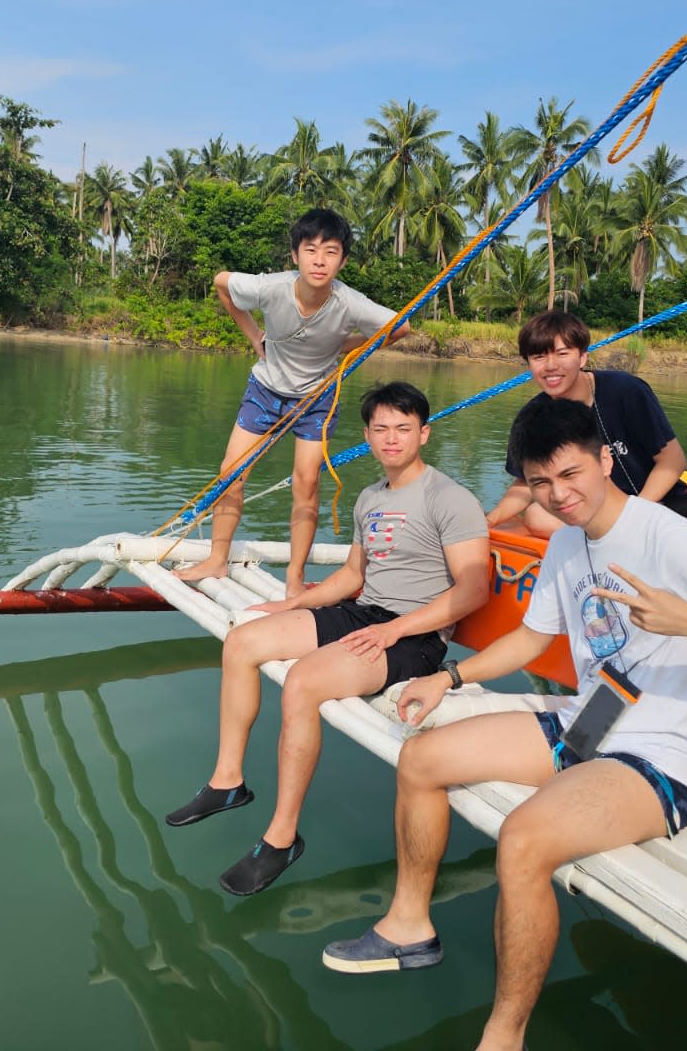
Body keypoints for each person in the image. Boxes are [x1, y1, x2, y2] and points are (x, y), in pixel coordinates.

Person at [323, 396, 687, 1051]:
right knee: (421, 759)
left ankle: (504, 1035)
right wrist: (448, 677)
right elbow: (528, 640)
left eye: (571, 473)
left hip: (656, 758)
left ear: (605, 460)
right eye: (542, 482)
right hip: (591, 720)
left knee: (522, 842)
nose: (560, 493)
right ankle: (410, 928)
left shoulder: (674, 539)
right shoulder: (569, 545)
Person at [166, 382, 490, 896]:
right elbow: (352, 577)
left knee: (303, 682)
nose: (391, 439)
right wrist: (291, 602)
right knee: (243, 641)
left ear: (423, 434)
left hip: (416, 638)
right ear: (366, 435)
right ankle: (228, 782)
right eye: (380, 429)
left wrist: (396, 630)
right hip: (365, 614)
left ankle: (281, 837)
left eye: (403, 429)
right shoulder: (370, 497)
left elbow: (475, 589)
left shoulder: (450, 499)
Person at [174, 208, 408, 597]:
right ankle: (217, 558)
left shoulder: (350, 303)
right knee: (230, 475)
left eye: (331, 251)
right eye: (311, 249)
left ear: (343, 260)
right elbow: (221, 283)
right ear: (295, 255)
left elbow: (400, 327)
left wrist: (341, 346)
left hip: (316, 399)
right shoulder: (272, 287)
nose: (320, 260)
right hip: (266, 391)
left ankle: (295, 578)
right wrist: (252, 335)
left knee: (307, 482)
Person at [484, 311, 687, 561]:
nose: (550, 366)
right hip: (599, 516)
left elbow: (672, 460)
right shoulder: (534, 416)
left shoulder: (625, 391)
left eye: (562, 354)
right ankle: (679, 547)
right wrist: (491, 519)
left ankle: (683, 548)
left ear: (583, 357)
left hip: (660, 503)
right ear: (528, 364)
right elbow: (526, 484)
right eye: (538, 357)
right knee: (537, 515)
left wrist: (638, 513)